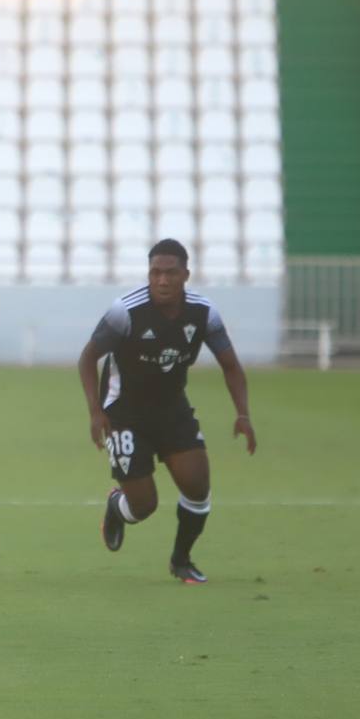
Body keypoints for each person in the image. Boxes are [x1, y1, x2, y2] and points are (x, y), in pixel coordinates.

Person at [76, 238, 256, 584]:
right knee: (143, 507)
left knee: (197, 485)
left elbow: (230, 365)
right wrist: (95, 412)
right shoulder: (125, 311)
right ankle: (118, 506)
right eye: (155, 272)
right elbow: (87, 358)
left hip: (172, 409)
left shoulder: (204, 313)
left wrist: (243, 414)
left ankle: (182, 560)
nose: (162, 280)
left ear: (185, 274)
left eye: (170, 273)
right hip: (123, 413)